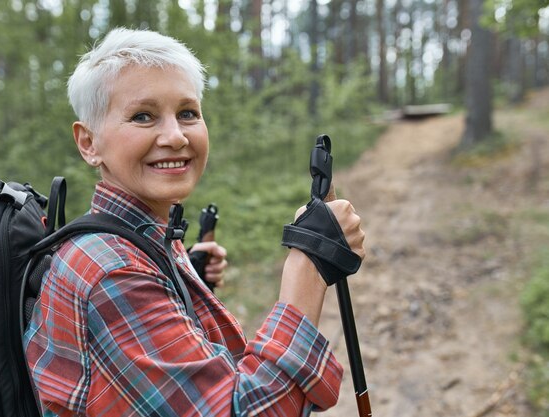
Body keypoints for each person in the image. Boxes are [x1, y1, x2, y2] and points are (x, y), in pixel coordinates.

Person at [23, 27, 366, 417]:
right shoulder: (112, 271)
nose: (175, 136)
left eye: (187, 113)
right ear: (89, 143)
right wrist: (309, 263)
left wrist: (179, 279)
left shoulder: (134, 242)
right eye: (143, 116)